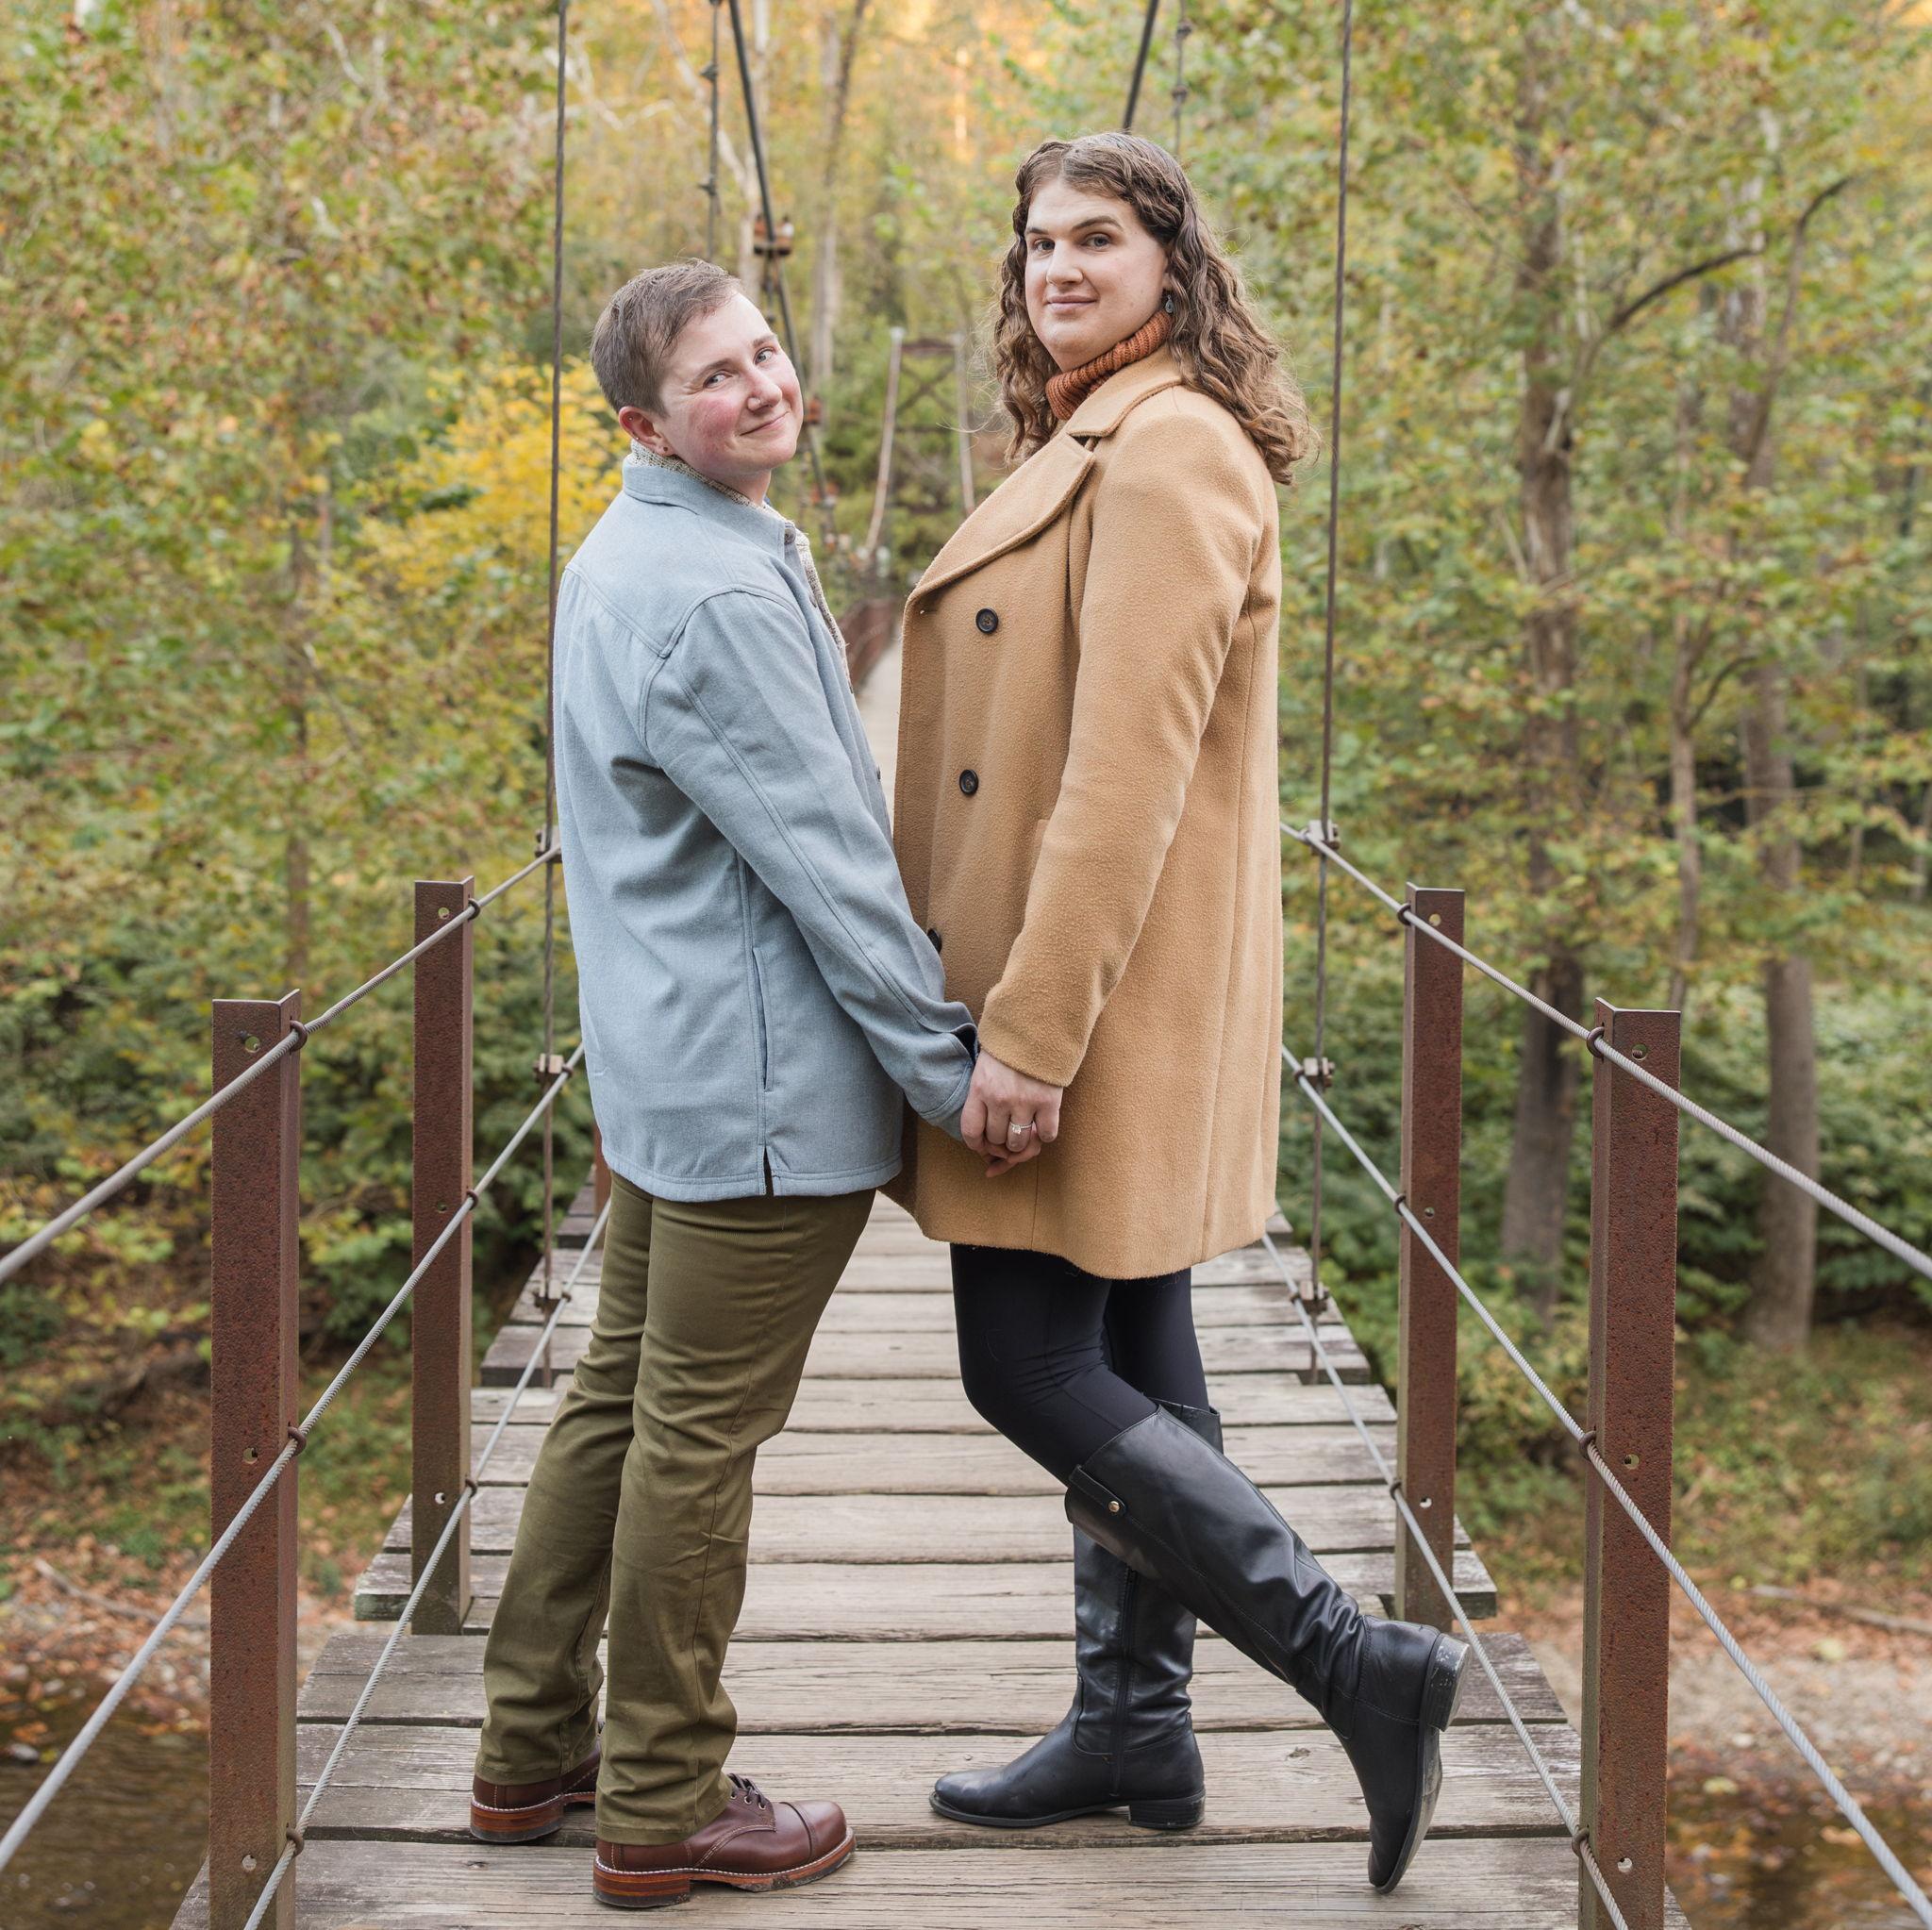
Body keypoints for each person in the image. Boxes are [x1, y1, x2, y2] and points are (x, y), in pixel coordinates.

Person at [889, 133, 1471, 1896]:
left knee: (1024, 1363)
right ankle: (1135, 1725)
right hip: (1100, 992)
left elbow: (1127, 772)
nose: (1060, 265)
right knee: (1138, 1358)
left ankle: (1354, 1659)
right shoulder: (1100, 436)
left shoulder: (1170, 451)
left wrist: (1031, 1035)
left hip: (1091, 1005)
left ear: (1172, 262)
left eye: (1101, 237)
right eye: (1039, 241)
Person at [465, 259, 1011, 1911]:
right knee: (695, 1441)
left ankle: (531, 1748)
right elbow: (831, 864)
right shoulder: (710, 595)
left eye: (763, 352)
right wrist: (949, 1070)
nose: (762, 384)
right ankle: (663, 1799)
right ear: (646, 425)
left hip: (670, 1070)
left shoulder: (641, 548)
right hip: (760, 1096)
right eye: (715, 376)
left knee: (621, 1399)